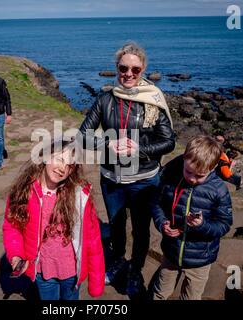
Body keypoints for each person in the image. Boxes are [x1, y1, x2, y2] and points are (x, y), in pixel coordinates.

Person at [78, 42, 175, 296]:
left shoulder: (152, 101)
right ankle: (119, 261)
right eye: (123, 68)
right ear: (117, 68)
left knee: (142, 229)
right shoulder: (105, 100)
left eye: (135, 69)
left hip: (145, 180)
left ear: (142, 70)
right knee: (117, 225)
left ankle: (136, 270)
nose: (128, 74)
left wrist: (138, 149)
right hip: (112, 179)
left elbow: (169, 142)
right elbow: (82, 136)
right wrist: (110, 143)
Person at [2, 138, 105, 300]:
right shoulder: (23, 192)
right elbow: (12, 227)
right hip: (43, 271)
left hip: (71, 272)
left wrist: (97, 282)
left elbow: (93, 240)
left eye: (70, 165)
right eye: (59, 159)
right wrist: (16, 255)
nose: (63, 168)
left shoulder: (79, 196)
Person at [150, 135, 233, 300]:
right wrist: (162, 223)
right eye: (188, 172)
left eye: (200, 176)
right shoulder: (171, 178)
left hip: (201, 258)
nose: (193, 179)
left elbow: (224, 224)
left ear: (213, 167)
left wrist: (202, 225)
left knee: (191, 297)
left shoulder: (219, 191)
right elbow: (156, 203)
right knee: (159, 293)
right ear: (184, 159)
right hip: (172, 252)